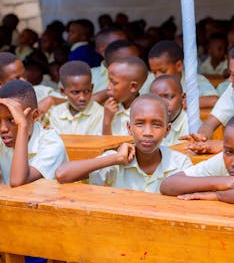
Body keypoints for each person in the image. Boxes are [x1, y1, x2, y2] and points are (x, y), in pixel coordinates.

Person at [55, 94, 192, 193]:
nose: (148, 132)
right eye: (139, 124)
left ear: (167, 130)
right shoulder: (115, 161)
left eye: (156, 125)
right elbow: (62, 174)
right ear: (129, 128)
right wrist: (115, 159)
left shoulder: (179, 163)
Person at [0, 80, 67, 186]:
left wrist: (22, 125)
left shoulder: (51, 144)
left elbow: (18, 181)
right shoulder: (3, 140)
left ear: (34, 116)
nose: (3, 129)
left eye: (12, 119)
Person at [148, 40, 219, 108]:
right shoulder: (149, 80)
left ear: (179, 66)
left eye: (163, 71)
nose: (157, 76)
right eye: (154, 72)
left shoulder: (195, 80)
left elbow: (214, 100)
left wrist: (183, 102)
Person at [45, 61, 104, 135]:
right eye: (75, 92)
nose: (82, 98)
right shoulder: (56, 113)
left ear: (92, 88)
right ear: (63, 91)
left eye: (86, 91)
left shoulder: (100, 114)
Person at [102, 56, 148, 136]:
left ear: (133, 86)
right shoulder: (108, 109)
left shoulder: (146, 112)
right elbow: (103, 145)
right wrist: (107, 121)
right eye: (109, 81)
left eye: (114, 83)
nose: (108, 87)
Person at [149, 75, 188, 146]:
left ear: (182, 98)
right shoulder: (147, 123)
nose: (163, 103)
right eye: (156, 98)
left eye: (169, 97)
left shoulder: (190, 125)